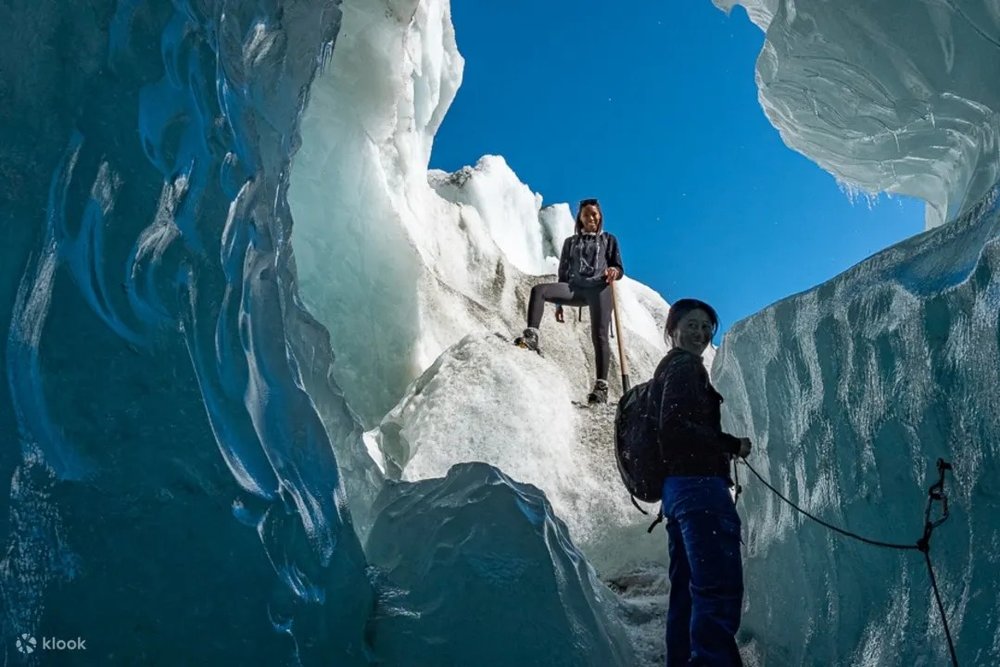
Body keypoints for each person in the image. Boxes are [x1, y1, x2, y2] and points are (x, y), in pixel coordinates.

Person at [652, 298, 752, 666]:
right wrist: (731, 444)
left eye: (707, 327)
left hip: (678, 491)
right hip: (699, 490)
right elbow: (676, 428)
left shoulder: (669, 369)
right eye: (692, 325)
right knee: (717, 591)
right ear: (672, 330)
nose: (700, 332)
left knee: (689, 594)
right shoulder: (684, 366)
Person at [513, 198, 624, 403]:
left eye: (594, 214)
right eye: (586, 215)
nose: (590, 217)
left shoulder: (609, 239)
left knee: (599, 334)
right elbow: (563, 273)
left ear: (599, 216)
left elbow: (619, 268)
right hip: (575, 289)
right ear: (580, 219)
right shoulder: (570, 242)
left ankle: (601, 387)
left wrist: (613, 271)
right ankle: (532, 336)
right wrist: (559, 303)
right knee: (539, 290)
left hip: (600, 289)